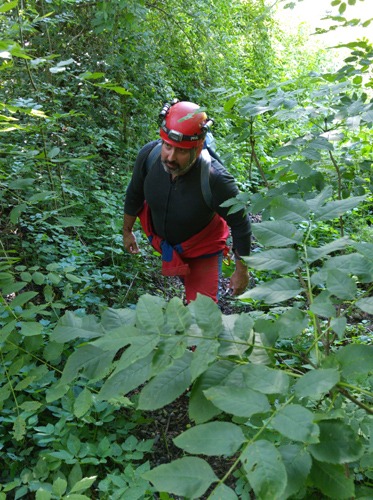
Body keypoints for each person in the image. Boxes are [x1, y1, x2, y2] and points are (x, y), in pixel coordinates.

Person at [123, 100, 251, 303]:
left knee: (201, 317)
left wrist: (241, 270)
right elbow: (135, 193)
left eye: (181, 151)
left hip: (203, 252)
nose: (170, 157)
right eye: (167, 146)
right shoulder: (149, 156)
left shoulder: (215, 179)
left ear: (198, 149)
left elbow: (241, 223)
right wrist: (127, 231)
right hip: (166, 244)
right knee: (189, 286)